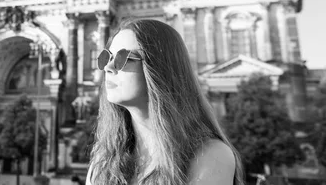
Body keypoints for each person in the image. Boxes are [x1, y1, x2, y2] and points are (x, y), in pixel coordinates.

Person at [87, 19, 244, 185]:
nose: (108, 68)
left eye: (123, 57)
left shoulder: (210, 155)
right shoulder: (103, 159)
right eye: (106, 57)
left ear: (160, 68)